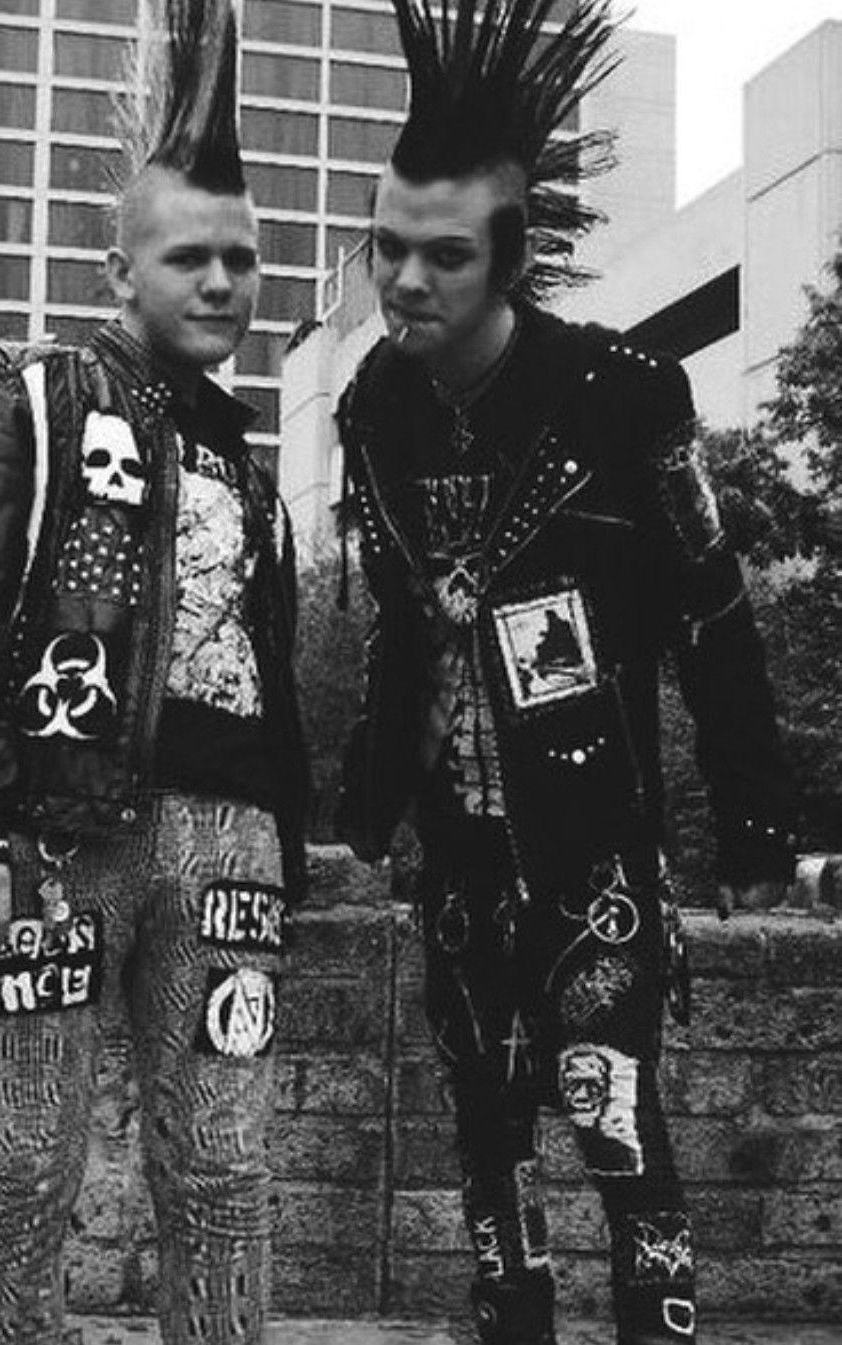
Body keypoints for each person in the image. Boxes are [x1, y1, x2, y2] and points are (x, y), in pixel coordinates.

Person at [334, 2, 796, 1342]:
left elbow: (714, 614)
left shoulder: (624, 395)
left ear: (511, 259)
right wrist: (369, 807)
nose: (403, 283)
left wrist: (755, 821)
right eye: (385, 248)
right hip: (460, 858)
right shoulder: (375, 409)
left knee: (610, 1110)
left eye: (442, 256)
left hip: (594, 843)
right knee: (486, 1137)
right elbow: (396, 624)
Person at [0, 1, 307, 1340]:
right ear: (121, 270)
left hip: (231, 852)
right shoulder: (29, 393)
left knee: (226, 1169)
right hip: (54, 839)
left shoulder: (248, 459)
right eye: (191, 258)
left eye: (242, 259)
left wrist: (294, 838)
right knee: (21, 1165)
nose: (223, 283)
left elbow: (264, 671)